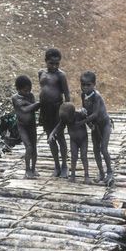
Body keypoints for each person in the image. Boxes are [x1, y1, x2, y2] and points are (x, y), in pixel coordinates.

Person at [38, 48, 70, 178]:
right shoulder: (41, 73)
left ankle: (64, 166)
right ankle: (56, 165)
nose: (55, 66)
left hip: (57, 109)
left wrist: (66, 112)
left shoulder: (61, 75)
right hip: (45, 110)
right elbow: (43, 90)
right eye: (51, 63)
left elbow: (67, 94)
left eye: (57, 63)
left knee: (60, 137)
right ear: (46, 61)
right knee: (50, 138)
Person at [79, 71, 113, 185]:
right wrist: (88, 123)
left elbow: (95, 114)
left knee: (103, 148)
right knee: (95, 150)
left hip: (104, 124)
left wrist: (81, 122)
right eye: (83, 84)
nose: (85, 87)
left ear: (94, 84)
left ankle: (110, 172)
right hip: (95, 126)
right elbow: (86, 111)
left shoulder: (97, 96)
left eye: (88, 85)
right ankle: (101, 173)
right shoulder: (83, 95)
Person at [48, 102, 90, 184]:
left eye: (69, 120)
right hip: (73, 140)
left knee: (83, 156)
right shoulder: (65, 119)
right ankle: (73, 175)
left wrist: (89, 122)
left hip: (83, 139)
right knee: (73, 157)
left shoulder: (79, 115)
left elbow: (88, 120)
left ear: (73, 114)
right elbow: (58, 126)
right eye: (66, 121)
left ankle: (86, 175)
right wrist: (52, 134)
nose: (68, 122)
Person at [12, 75, 40, 179]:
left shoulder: (30, 95)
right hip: (22, 126)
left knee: (34, 148)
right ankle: (27, 170)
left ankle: (33, 168)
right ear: (18, 89)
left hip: (32, 125)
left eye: (29, 90)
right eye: (25, 90)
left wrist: (32, 103)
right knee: (28, 147)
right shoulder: (15, 98)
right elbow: (24, 110)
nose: (28, 92)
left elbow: (33, 108)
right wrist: (36, 104)